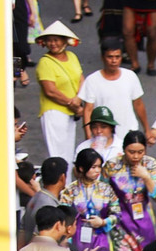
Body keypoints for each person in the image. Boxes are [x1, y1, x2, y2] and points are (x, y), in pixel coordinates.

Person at [35, 24, 85, 164]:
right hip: (54, 112)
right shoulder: (45, 62)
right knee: (57, 155)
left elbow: (81, 79)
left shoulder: (72, 56)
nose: (53, 43)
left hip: (71, 112)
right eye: (49, 40)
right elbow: (50, 91)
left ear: (64, 41)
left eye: (56, 40)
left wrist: (78, 99)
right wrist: (72, 103)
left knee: (68, 154)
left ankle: (67, 185)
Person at [78, 39, 147, 137]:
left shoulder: (130, 76)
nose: (114, 61)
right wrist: (88, 136)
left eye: (117, 57)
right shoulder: (92, 80)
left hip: (129, 132)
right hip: (103, 135)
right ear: (102, 57)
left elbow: (138, 104)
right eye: (110, 57)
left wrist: (147, 129)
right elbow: (88, 110)